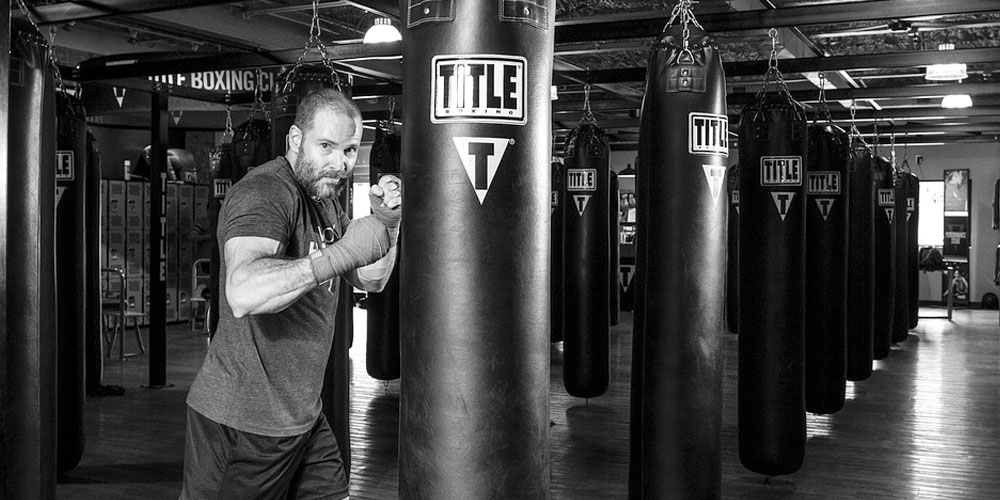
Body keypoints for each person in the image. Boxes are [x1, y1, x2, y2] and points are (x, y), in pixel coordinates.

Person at [180, 88, 401, 500]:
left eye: (349, 151)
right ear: (296, 139)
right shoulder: (266, 192)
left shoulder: (324, 199)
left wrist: (388, 224)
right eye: (326, 146)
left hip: (303, 418)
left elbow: (370, 280)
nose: (339, 163)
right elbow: (243, 292)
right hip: (242, 422)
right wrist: (339, 254)